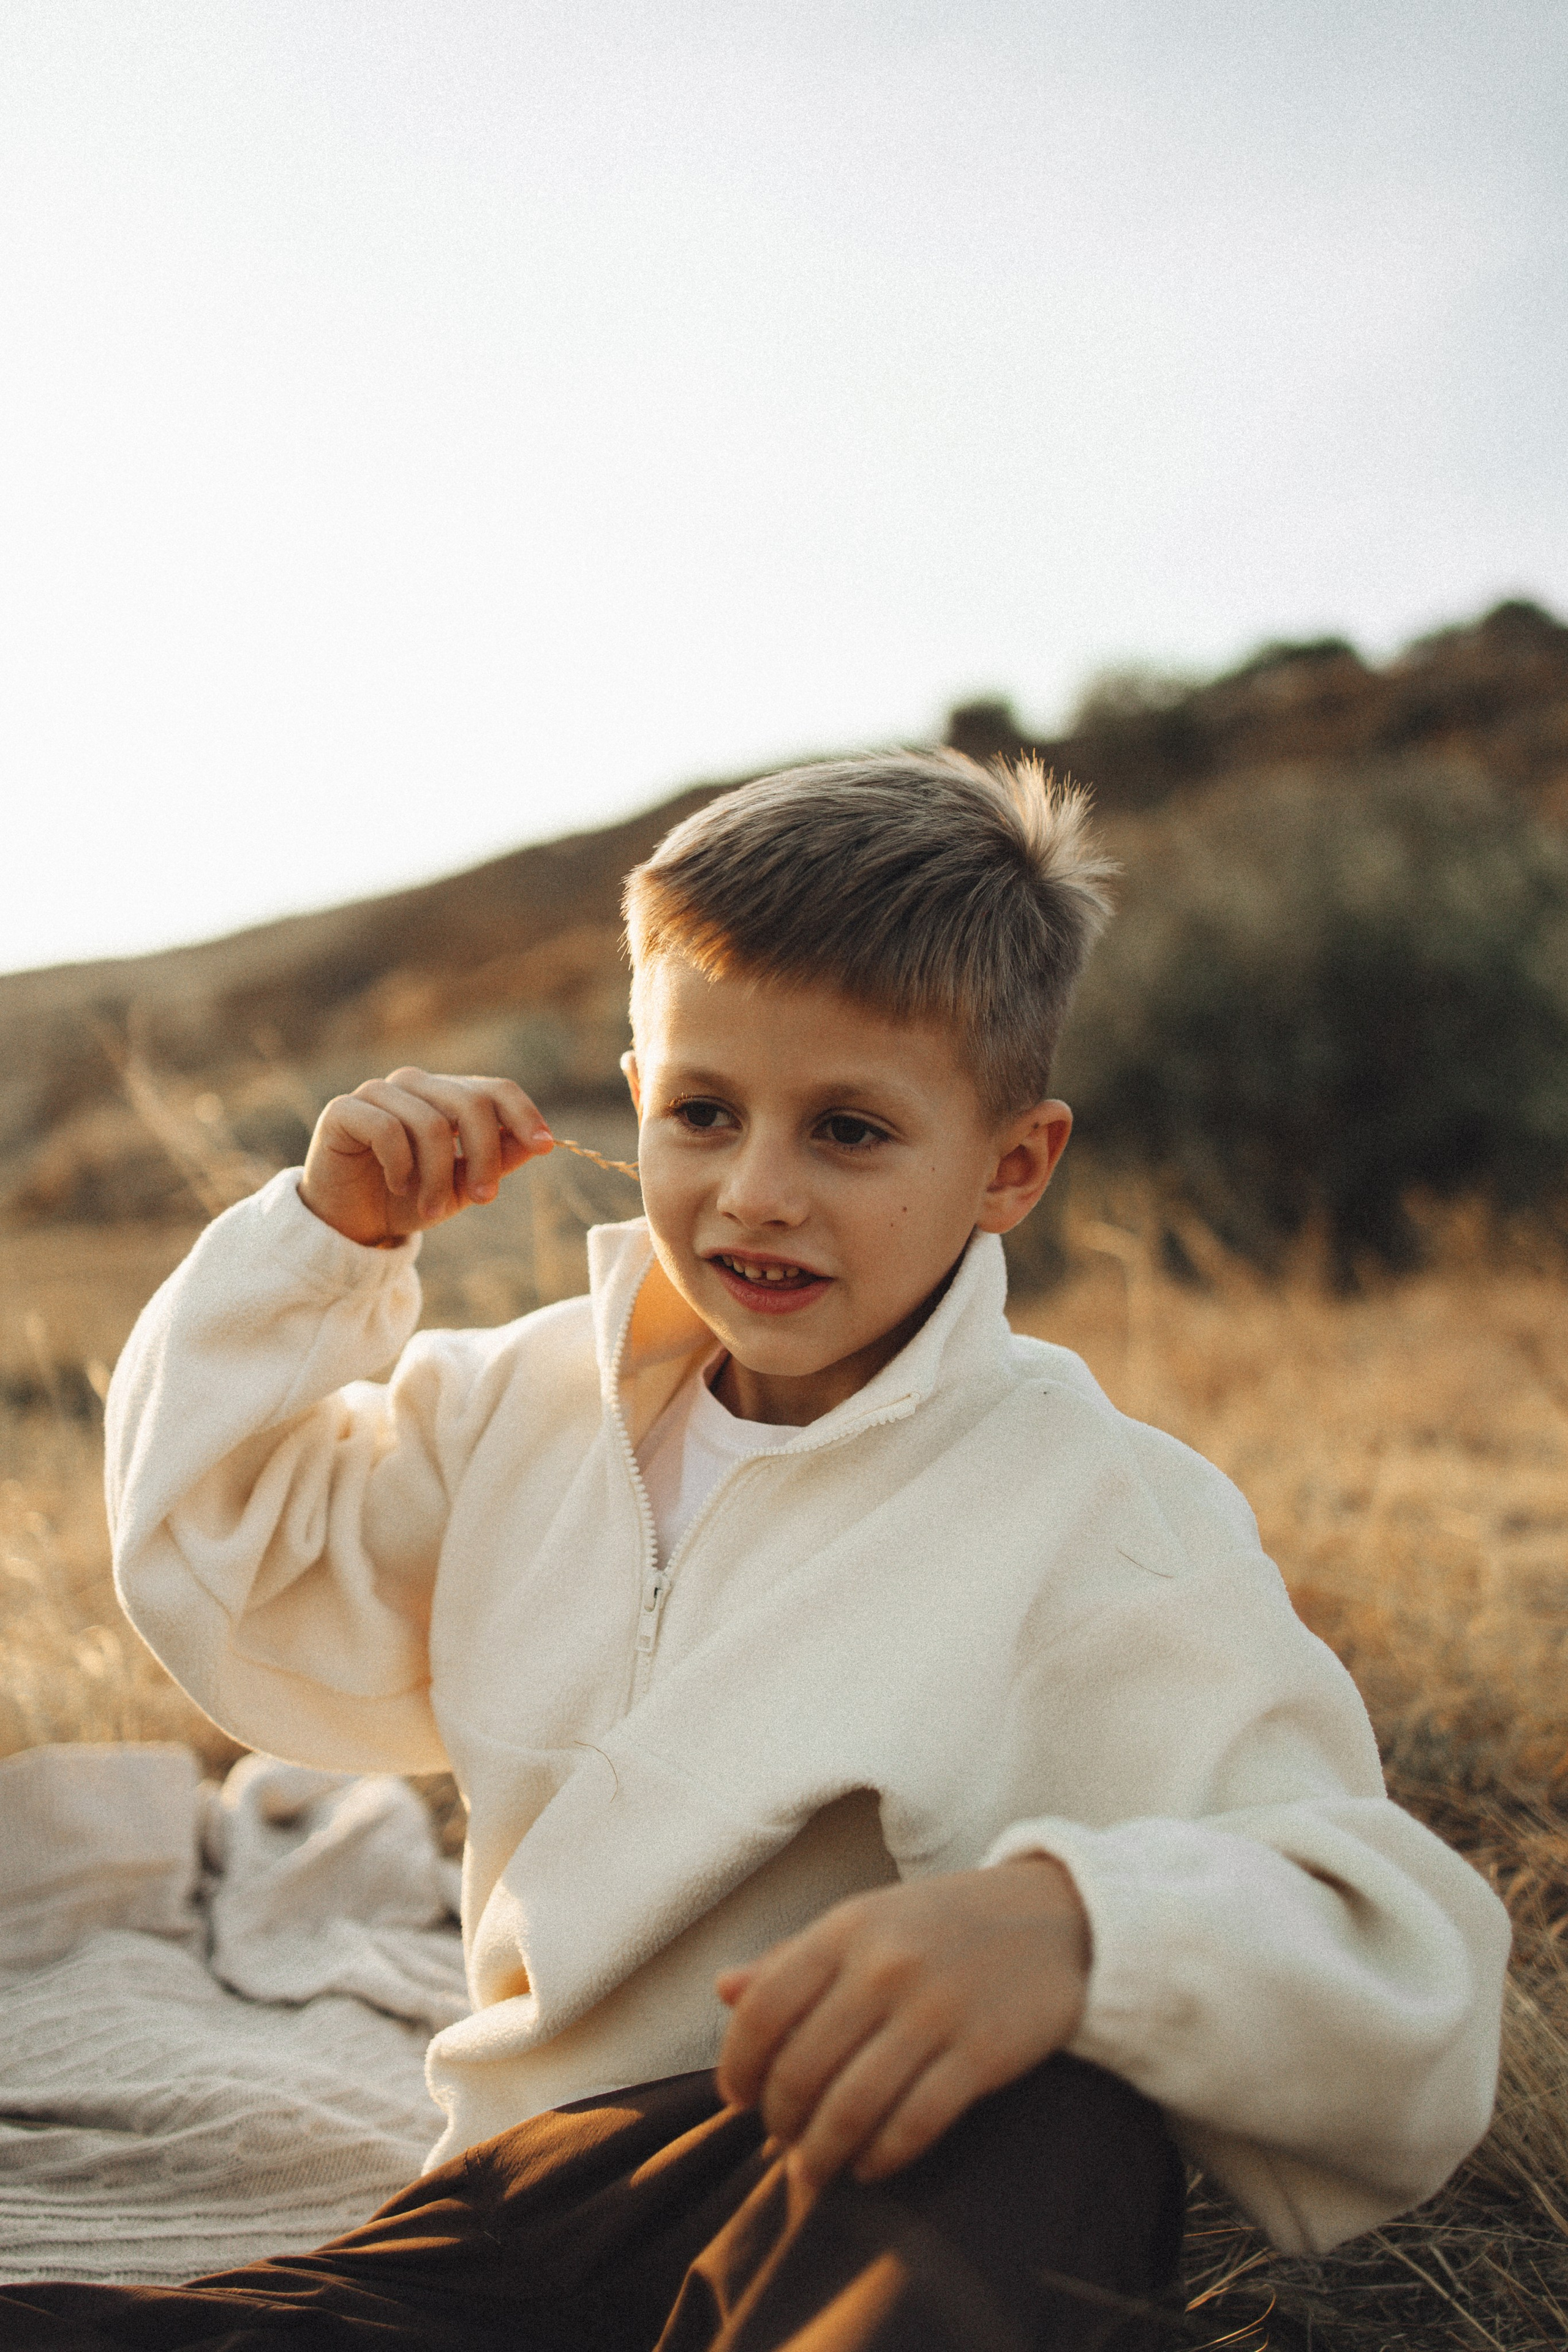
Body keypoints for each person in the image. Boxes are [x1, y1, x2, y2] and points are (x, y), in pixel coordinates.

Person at [7, 753, 1508, 2352]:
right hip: (510, 2209)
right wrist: (321, 1241)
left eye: (850, 1130)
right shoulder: (520, 1403)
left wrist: (1076, 1930)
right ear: (634, 1091)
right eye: (702, 1115)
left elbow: (1399, 1967)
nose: (755, 1194)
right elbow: (227, 1568)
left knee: (1055, 2122)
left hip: (851, 2189)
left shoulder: (1100, 1517)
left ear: (1013, 1165)